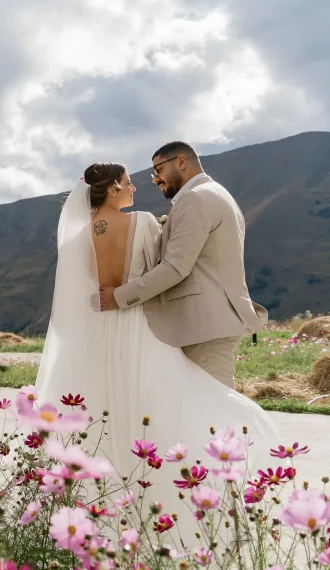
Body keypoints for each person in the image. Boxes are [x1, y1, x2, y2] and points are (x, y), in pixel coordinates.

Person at [34, 156, 282, 542]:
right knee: (161, 403)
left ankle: (101, 506)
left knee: (104, 407)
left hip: (98, 329)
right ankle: (169, 502)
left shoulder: (77, 237)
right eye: (128, 182)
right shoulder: (144, 222)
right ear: (114, 187)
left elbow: (84, 291)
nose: (135, 187)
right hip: (137, 322)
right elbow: (164, 270)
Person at [97, 141, 268, 389]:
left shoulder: (196, 199)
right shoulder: (215, 193)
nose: (155, 179)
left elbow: (175, 267)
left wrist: (119, 297)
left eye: (158, 170)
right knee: (209, 411)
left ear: (181, 162)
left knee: (215, 411)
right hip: (211, 321)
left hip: (205, 325)